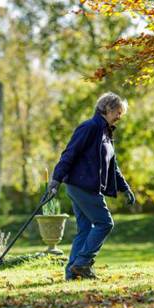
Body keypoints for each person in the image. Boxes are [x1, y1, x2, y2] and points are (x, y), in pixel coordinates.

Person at [48, 92, 135, 280]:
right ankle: (82, 263)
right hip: (81, 185)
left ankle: (73, 272)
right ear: (107, 108)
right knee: (105, 223)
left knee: (85, 228)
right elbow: (69, 153)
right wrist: (56, 180)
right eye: (118, 112)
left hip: (87, 186)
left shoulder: (106, 132)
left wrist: (125, 188)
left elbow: (113, 166)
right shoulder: (90, 127)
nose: (120, 117)